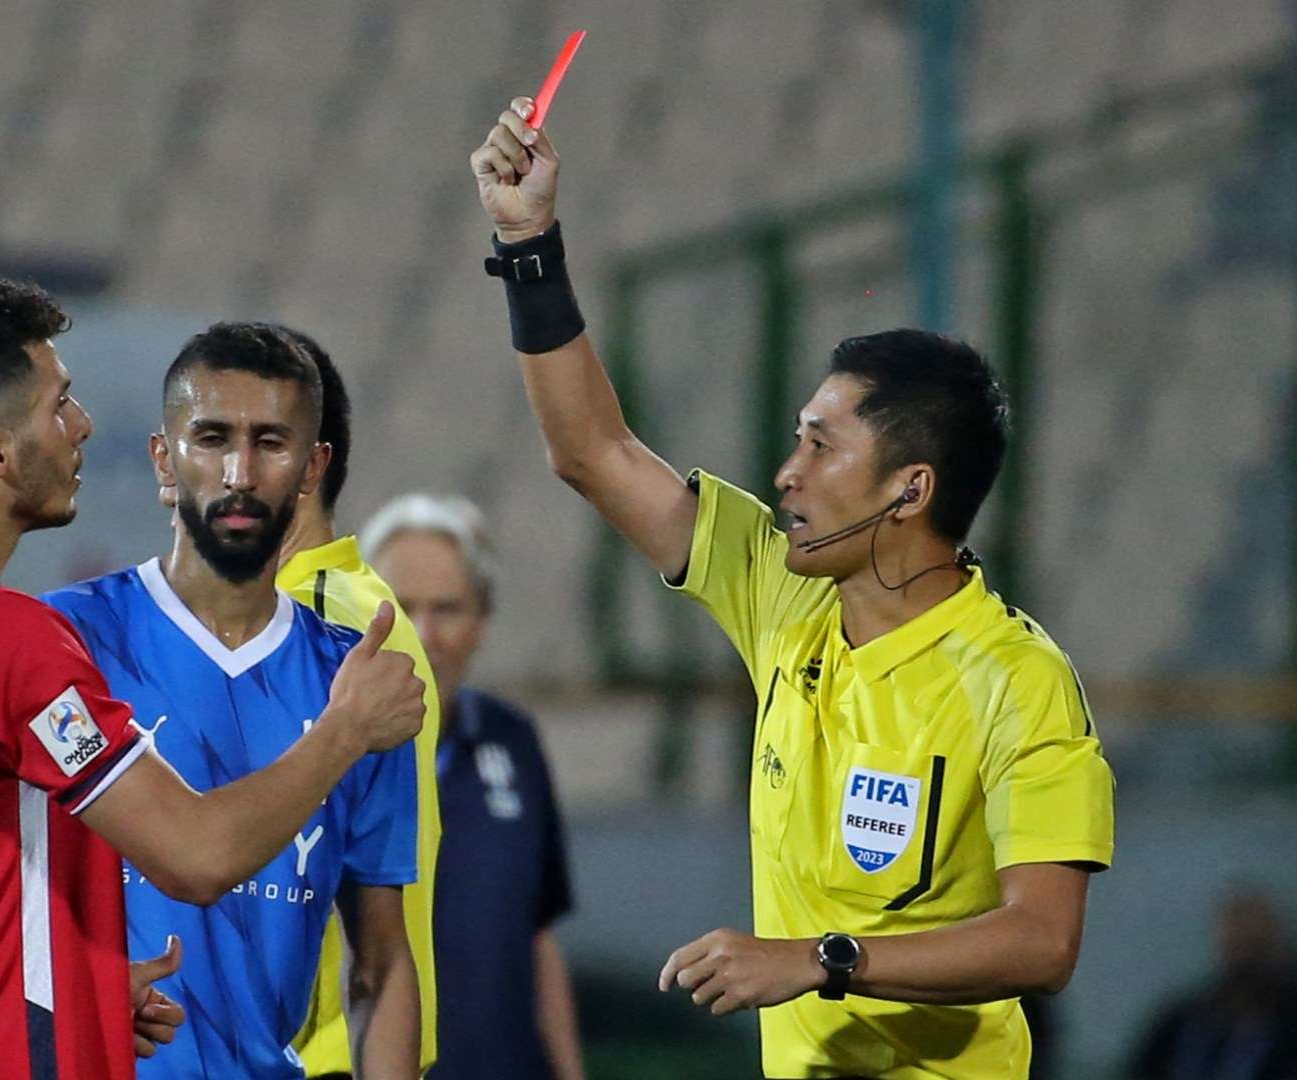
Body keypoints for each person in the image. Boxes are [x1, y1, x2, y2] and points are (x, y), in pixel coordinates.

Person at [469, 97, 1116, 1079]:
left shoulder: (1017, 679)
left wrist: (822, 963)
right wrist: (529, 246)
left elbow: (1043, 941)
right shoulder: (787, 593)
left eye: (820, 445)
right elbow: (593, 452)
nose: (786, 473)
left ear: (910, 488)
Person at [0, 285, 425, 1079]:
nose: (81, 427)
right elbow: (193, 856)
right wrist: (346, 730)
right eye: (60, 405)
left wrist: (68, 988)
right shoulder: (5, 635)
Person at [44, 321, 422, 1079]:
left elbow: (380, 963)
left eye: (271, 443)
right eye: (211, 438)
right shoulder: (63, 638)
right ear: (163, 458)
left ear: (314, 468)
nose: (240, 473)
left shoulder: (356, 679)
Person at [358, 493, 585, 1080]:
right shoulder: (323, 755)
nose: (424, 633)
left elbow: (537, 934)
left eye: (447, 608)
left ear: (481, 620)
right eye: (401, 607)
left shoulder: (512, 738)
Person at [268, 328, 442, 1080]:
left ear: (308, 468)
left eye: (246, 440)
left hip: (317, 1051)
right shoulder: (350, 603)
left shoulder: (320, 619)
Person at [1126, 886, 1297, 1079]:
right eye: (1238, 946)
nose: (1244, 961)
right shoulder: (1182, 1024)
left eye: (1255, 947)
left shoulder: (1286, 1028)